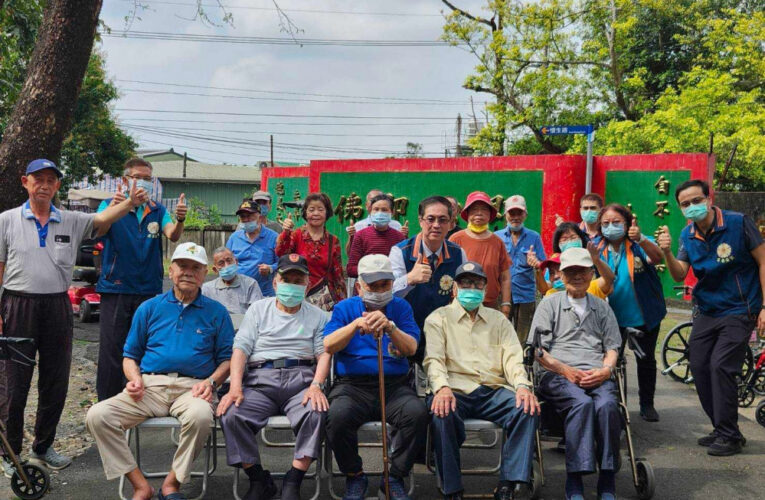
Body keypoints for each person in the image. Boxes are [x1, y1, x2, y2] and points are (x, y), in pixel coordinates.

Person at [0, 159, 150, 473]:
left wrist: (130, 203)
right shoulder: (6, 220)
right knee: (14, 383)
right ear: (25, 182)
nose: (43, 185)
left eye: (50, 180)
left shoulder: (70, 220)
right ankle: (10, 454)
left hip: (57, 306)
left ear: (57, 186)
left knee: (56, 381)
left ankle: (43, 447)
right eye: (37, 179)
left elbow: (103, 217)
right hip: (17, 305)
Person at [86, 242, 234, 500]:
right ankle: (140, 485)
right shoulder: (149, 308)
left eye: (195, 268)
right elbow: (130, 356)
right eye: (182, 266)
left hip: (193, 388)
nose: (188, 272)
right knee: (98, 416)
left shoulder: (217, 312)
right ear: (170, 271)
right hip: (149, 387)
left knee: (200, 417)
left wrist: (211, 382)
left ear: (203, 274)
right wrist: (134, 380)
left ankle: (172, 484)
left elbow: (228, 360)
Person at [658, 179, 765, 456]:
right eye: (685, 204)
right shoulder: (686, 236)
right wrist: (667, 251)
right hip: (707, 309)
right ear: (680, 208)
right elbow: (680, 274)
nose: (692, 207)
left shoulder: (738, 223)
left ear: (709, 198)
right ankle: (722, 427)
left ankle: (729, 435)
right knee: (699, 365)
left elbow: (764, 261)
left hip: (741, 308)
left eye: (696, 200)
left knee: (721, 366)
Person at [217, 253, 330, 500]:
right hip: (260, 379)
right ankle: (258, 479)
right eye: (285, 278)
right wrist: (235, 387)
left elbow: (324, 354)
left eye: (297, 280)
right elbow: (241, 349)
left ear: (307, 284)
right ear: (276, 282)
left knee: (316, 411)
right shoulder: (259, 309)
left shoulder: (318, 315)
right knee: (231, 413)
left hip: (301, 379)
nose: (291, 284)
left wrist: (317, 385)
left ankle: (293, 480)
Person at [424, 262, 540, 500]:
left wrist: (522, 386)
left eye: (477, 284)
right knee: (442, 412)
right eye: (465, 283)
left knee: (527, 408)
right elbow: (433, 360)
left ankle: (509, 482)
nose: (471, 288)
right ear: (454, 288)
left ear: (485, 289)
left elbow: (512, 359)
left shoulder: (498, 320)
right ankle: (451, 488)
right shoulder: (438, 318)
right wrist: (442, 387)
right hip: (455, 389)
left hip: (493, 390)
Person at [324, 254, 427, 500]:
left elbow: (411, 349)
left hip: (394, 386)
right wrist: (354, 325)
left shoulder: (401, 308)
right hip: (352, 386)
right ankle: (354, 475)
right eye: (373, 286)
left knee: (418, 414)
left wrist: (391, 327)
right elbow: (328, 345)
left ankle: (394, 476)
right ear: (359, 286)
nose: (380, 290)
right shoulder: (344, 308)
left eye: (385, 285)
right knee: (336, 417)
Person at [529, 248, 622, 500]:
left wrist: (605, 370)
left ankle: (607, 480)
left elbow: (613, 346)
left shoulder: (602, 307)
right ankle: (575, 481)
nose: (577, 276)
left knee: (608, 406)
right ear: (560, 274)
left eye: (582, 271)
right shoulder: (549, 304)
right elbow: (537, 350)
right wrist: (565, 370)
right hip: (557, 373)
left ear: (592, 273)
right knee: (580, 404)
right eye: (570, 271)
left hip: (597, 373)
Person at [95, 157, 188, 401]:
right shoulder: (109, 205)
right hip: (115, 289)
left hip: (148, 290)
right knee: (111, 351)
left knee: (144, 349)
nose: (144, 183)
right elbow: (99, 229)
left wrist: (180, 219)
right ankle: (106, 405)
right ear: (126, 180)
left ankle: (139, 402)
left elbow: (173, 236)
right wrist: (123, 206)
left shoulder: (158, 210)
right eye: (138, 177)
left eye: (148, 179)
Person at [597, 203, 665, 422]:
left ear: (627, 224)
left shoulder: (638, 245)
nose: (610, 227)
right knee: (610, 362)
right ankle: (614, 404)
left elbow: (657, 258)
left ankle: (647, 404)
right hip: (611, 319)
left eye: (616, 222)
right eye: (605, 223)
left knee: (645, 360)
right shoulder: (597, 249)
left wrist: (641, 239)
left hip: (643, 315)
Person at [389, 196, 467, 363]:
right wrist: (409, 279)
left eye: (443, 220)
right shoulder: (400, 251)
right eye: (431, 219)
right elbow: (387, 294)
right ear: (420, 221)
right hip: (407, 329)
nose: (436, 225)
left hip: (445, 333)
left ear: (451, 223)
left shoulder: (458, 253)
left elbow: (463, 293)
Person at [277, 193, 346, 311]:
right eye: (311, 209)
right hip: (296, 293)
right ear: (305, 213)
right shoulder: (296, 235)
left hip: (323, 300)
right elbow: (281, 254)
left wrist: (343, 305)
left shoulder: (333, 240)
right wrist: (285, 233)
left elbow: (337, 276)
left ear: (327, 213)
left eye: (320, 209)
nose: (316, 213)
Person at [449, 192, 512, 315]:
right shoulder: (455, 239)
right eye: (474, 209)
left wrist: (505, 304)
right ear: (467, 214)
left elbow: (505, 277)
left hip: (490, 305)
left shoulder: (497, 242)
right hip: (460, 304)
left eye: (484, 209)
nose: (479, 213)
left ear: (490, 214)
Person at [495, 195, 545, 342]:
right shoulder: (496, 237)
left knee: (524, 337)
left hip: (525, 294)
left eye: (519, 213)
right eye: (512, 213)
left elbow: (542, 264)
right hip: (501, 294)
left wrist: (536, 263)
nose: (515, 217)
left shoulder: (534, 237)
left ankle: (521, 363)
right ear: (505, 215)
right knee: (499, 334)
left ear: (525, 215)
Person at [227, 200, 280, 298]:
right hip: (238, 292)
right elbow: (226, 261)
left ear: (259, 218)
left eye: (249, 216)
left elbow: (282, 263)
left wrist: (271, 268)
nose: (246, 219)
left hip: (264, 294)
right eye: (243, 217)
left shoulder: (273, 237)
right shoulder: (234, 238)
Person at [347, 193, 405, 278]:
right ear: (370, 212)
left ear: (392, 212)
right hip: (365, 287)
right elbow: (351, 269)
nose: (380, 213)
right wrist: (372, 272)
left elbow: (403, 268)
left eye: (384, 210)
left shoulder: (399, 237)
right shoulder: (360, 235)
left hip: (391, 287)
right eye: (376, 209)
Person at [529, 243, 614, 299]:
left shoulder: (592, 287)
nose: (556, 276)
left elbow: (609, 279)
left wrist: (597, 261)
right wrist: (538, 270)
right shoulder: (551, 294)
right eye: (551, 273)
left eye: (559, 270)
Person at [202, 246, 263, 314]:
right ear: (215, 269)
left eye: (229, 260)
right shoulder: (207, 289)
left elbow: (258, 313)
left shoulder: (250, 284)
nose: (227, 265)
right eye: (221, 263)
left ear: (236, 262)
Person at [345, 189, 406, 253]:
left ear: (392, 211)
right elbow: (351, 254)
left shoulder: (396, 225)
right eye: (373, 200)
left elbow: (403, 252)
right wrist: (351, 237)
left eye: (384, 209)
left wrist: (404, 236)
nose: (378, 202)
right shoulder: (359, 226)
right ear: (367, 205)